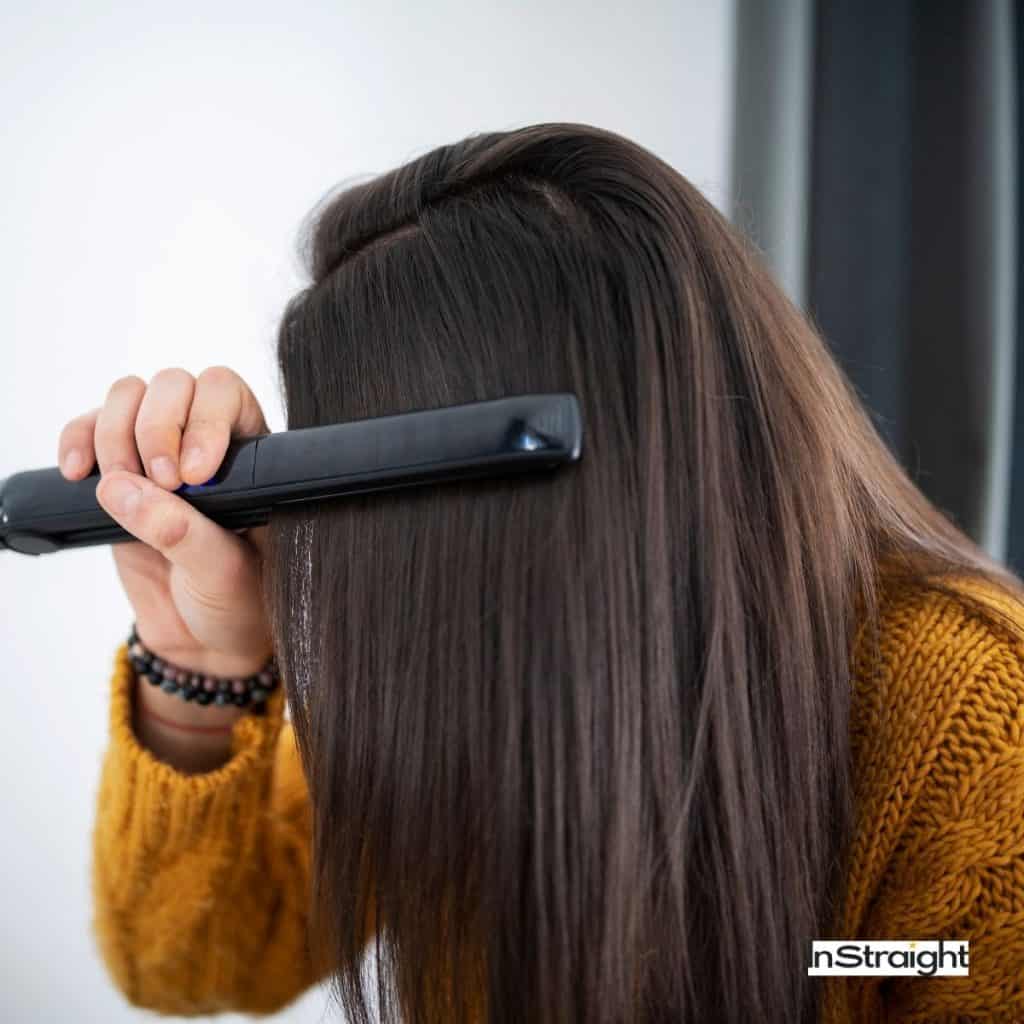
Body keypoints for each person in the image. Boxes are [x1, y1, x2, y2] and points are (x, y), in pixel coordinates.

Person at [66, 123, 1024, 1023]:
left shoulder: (976, 711)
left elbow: (930, 960)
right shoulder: (461, 659)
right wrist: (199, 665)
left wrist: (816, 953)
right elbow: (189, 964)